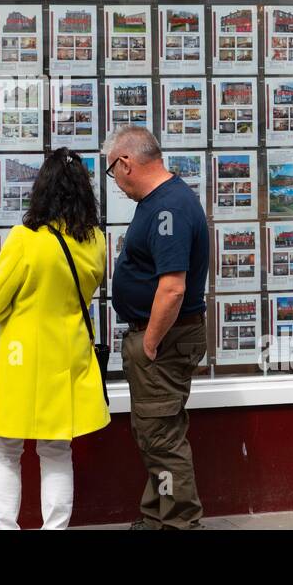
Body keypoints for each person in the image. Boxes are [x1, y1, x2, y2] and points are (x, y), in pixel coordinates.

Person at [0, 148, 109, 529]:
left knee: (3, 450)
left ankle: (6, 528)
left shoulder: (25, 239)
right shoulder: (97, 241)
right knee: (56, 449)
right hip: (68, 358)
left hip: (20, 361)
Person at [104, 125, 209, 530]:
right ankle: (156, 516)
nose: (115, 182)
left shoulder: (168, 208)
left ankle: (180, 522)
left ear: (126, 163)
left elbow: (172, 287)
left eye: (114, 171)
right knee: (155, 431)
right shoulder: (162, 201)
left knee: (161, 437)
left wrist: (149, 343)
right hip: (163, 337)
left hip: (163, 339)